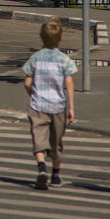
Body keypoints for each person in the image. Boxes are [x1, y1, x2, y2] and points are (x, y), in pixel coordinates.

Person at [23, 19, 77, 190]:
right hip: (58, 106)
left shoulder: (36, 58)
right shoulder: (63, 59)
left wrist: (33, 93)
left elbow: (26, 82)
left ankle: (41, 167)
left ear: (41, 37)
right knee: (56, 142)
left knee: (39, 139)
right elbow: (69, 83)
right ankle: (55, 175)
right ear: (61, 37)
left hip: (38, 105)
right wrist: (70, 107)